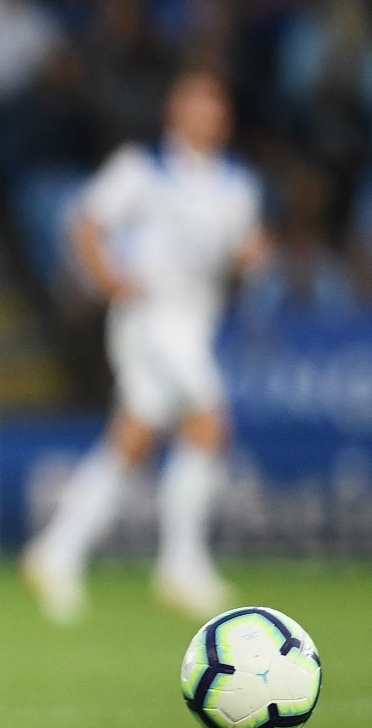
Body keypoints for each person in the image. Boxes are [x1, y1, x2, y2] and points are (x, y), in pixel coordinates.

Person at [22, 70, 270, 624]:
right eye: (194, 103)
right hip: (151, 319)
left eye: (213, 104)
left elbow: (243, 250)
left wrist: (253, 256)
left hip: (195, 322)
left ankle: (56, 551)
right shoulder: (142, 169)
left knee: (131, 440)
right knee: (209, 423)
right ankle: (182, 567)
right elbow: (85, 223)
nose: (205, 114)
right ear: (174, 113)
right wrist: (108, 278)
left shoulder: (237, 185)